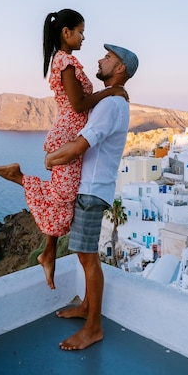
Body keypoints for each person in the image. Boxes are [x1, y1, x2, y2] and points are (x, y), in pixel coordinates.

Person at [0, 9, 128, 289]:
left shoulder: (65, 61)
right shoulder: (64, 62)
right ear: (67, 33)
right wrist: (109, 92)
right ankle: (19, 177)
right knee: (63, 197)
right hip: (67, 136)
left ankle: (48, 253)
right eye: (81, 32)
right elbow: (78, 105)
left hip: (68, 133)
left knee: (63, 200)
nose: (84, 37)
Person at [45, 43, 139, 351]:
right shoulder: (109, 101)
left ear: (120, 68)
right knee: (86, 255)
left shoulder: (112, 105)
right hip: (91, 187)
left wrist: (52, 159)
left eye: (108, 57)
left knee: (87, 257)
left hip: (92, 189)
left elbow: (81, 145)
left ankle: (94, 327)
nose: (101, 59)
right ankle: (87, 307)